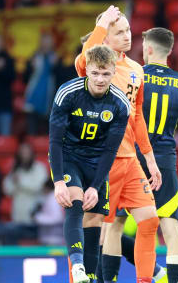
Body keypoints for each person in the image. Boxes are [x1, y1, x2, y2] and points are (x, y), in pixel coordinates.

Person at [75, 6, 162, 283]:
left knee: (149, 219)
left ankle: (146, 280)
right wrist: (102, 23)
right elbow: (81, 60)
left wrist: (149, 158)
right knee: (99, 228)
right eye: (120, 31)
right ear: (105, 38)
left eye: (128, 30)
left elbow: (137, 117)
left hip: (130, 159)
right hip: (101, 160)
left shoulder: (137, 69)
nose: (128, 36)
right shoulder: (95, 68)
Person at [111, 28, 178, 283]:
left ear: (147, 49)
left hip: (132, 160)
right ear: (170, 51)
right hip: (166, 162)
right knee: (170, 228)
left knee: (113, 227)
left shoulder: (135, 75)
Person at [50, 45, 130, 283]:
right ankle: (77, 266)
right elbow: (54, 140)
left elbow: (110, 149)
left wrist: (95, 186)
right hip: (69, 155)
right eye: (95, 73)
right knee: (75, 204)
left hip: (97, 160)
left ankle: (91, 276)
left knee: (95, 217)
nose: (100, 79)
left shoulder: (120, 104)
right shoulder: (68, 93)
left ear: (114, 71)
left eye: (105, 74)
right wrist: (57, 182)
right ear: (87, 71)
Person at [3, 143, 48, 224]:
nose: (24, 156)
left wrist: (20, 182)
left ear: (32, 154)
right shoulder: (15, 169)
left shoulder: (39, 168)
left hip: (35, 212)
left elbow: (39, 187)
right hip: (18, 212)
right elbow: (7, 190)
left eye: (27, 153)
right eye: (22, 153)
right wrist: (15, 183)